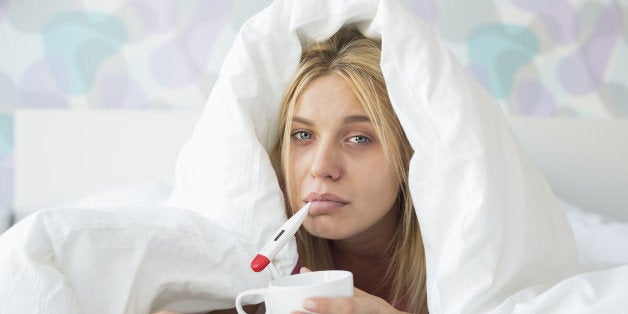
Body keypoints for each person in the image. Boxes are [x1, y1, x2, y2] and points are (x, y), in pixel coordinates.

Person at [268, 26, 427, 314]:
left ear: (408, 152)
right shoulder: (263, 236)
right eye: (303, 135)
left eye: (359, 138)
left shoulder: (460, 256)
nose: (321, 168)